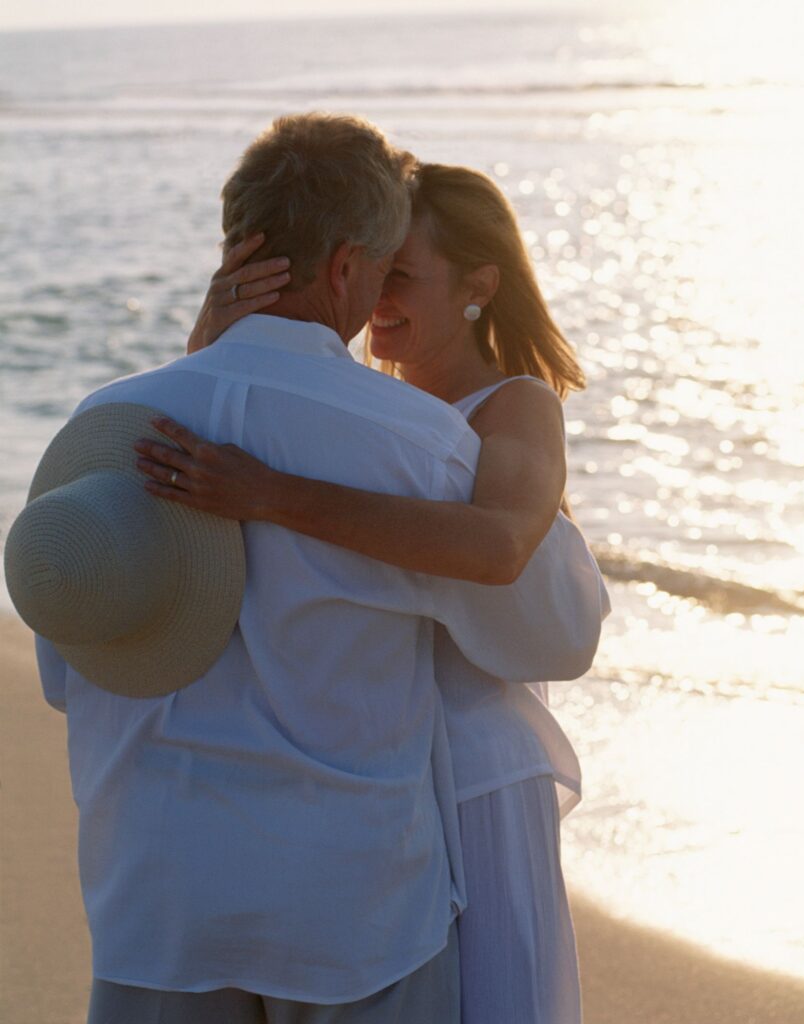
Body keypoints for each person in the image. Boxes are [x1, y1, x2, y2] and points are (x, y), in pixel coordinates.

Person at [29, 114, 606, 1024]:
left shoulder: (105, 427)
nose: (379, 298)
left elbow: (71, 670)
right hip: (347, 908)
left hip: (156, 894)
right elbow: (554, 635)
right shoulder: (419, 446)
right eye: (380, 266)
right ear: (345, 267)